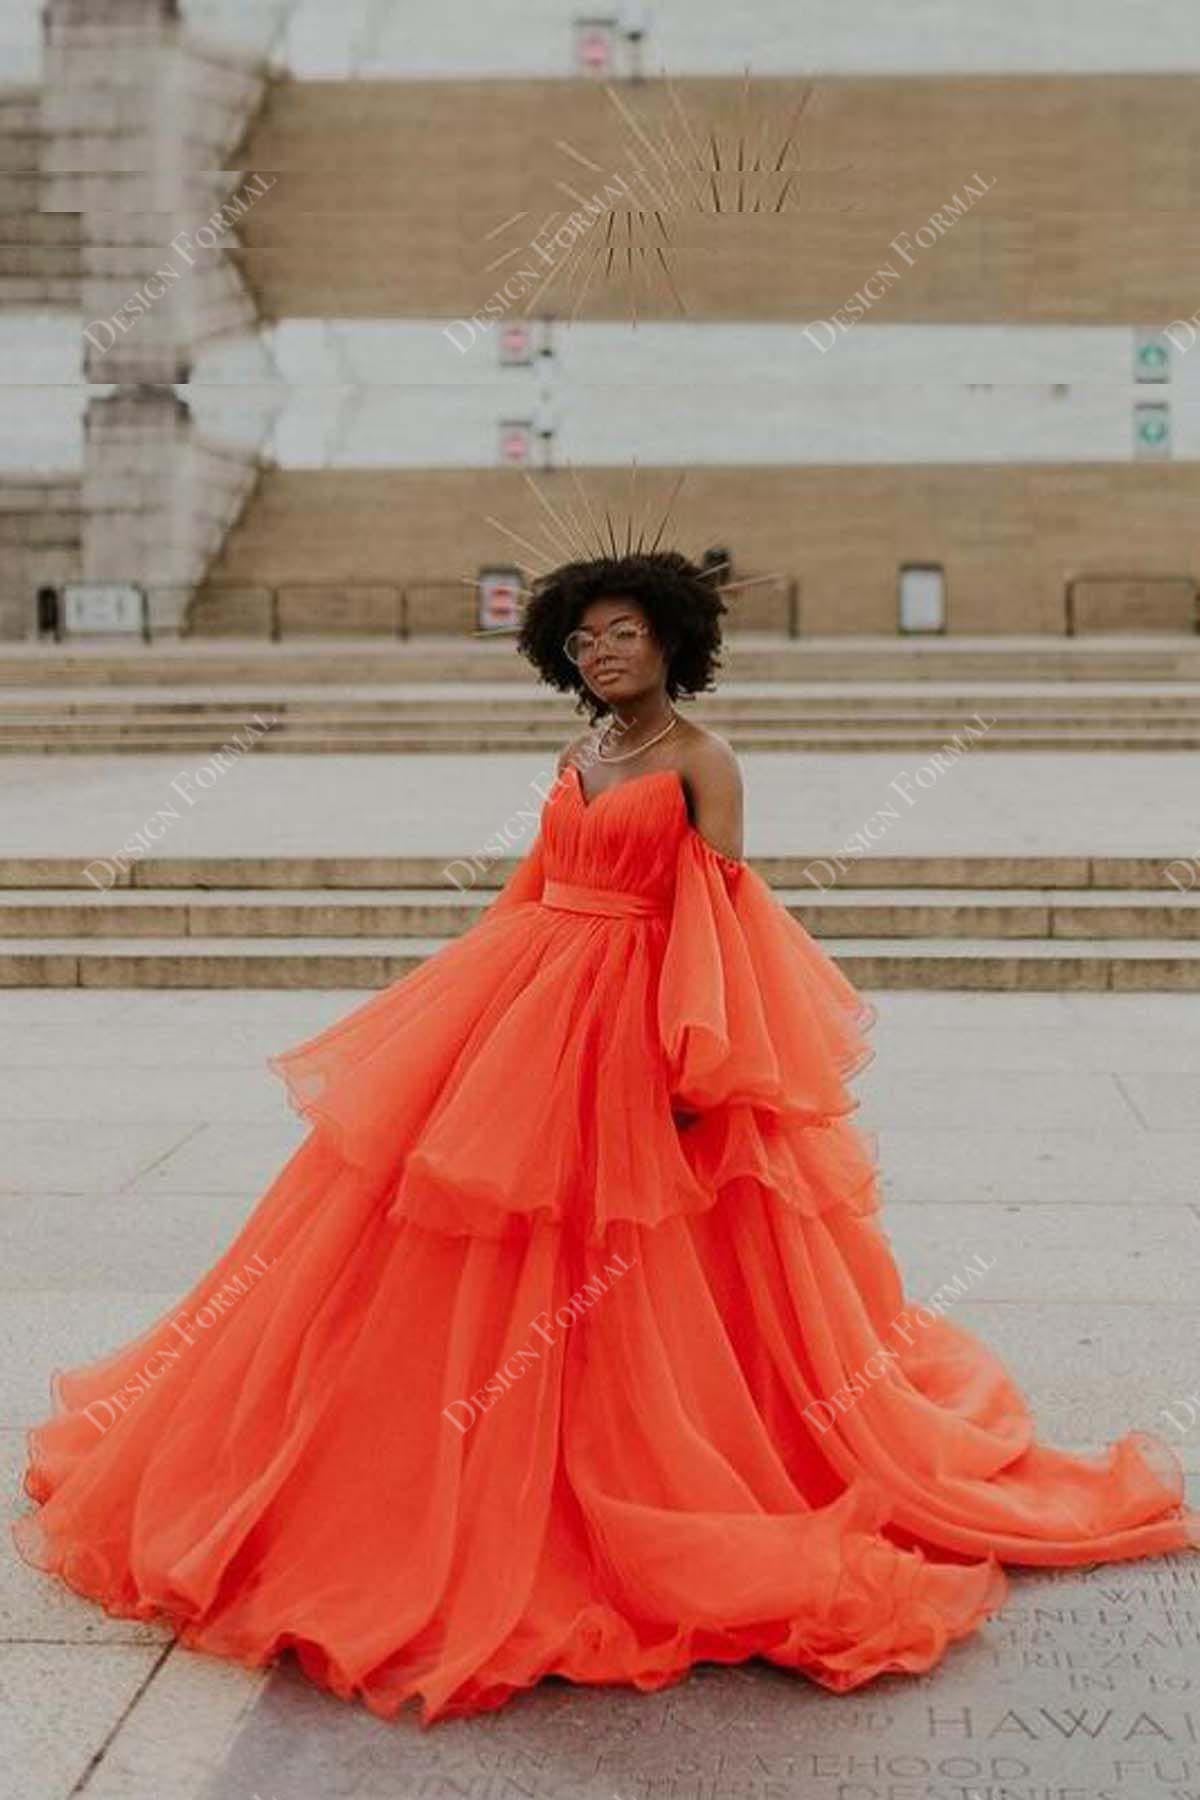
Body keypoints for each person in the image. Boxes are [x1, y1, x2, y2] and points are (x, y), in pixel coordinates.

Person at [13, 548, 1198, 1728]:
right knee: (459, 1232)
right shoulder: (582, 753)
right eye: (583, 638)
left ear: (673, 641)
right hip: (532, 1003)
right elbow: (534, 887)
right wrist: (470, 1022)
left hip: (637, 1015)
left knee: (632, 1247)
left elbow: (723, 917)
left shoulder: (701, 761)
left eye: (623, 631)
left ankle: (630, 1460)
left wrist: (701, 1066)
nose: (602, 651)